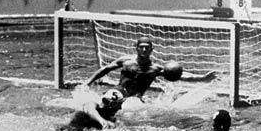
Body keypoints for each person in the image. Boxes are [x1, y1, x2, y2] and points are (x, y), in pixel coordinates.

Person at [82, 37, 215, 103]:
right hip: (119, 91)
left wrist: (202, 78)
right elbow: (105, 69)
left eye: (147, 47)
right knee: (107, 100)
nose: (144, 49)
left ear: (152, 49)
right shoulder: (126, 61)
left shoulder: (154, 69)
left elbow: (180, 75)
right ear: (137, 48)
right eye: (141, 47)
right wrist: (88, 81)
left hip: (136, 99)